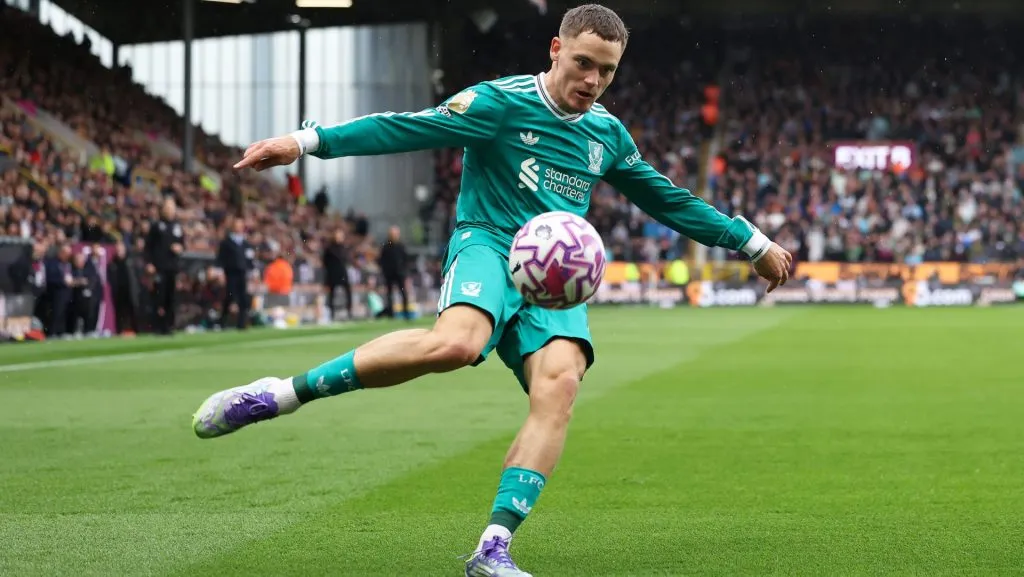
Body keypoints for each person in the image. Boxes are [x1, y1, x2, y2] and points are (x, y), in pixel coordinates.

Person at [191, 5, 791, 576]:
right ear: (556, 50)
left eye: (607, 70)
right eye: (583, 63)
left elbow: (666, 197)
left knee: (560, 385)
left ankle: (494, 546)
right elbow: (408, 128)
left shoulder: (606, 134)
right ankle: (280, 394)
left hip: (556, 282)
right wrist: (306, 142)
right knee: (455, 345)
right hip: (490, 245)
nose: (593, 80)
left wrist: (752, 243)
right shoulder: (498, 103)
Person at [145, 197, 185, 335]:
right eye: (167, 208)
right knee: (159, 297)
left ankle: (169, 325)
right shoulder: (156, 226)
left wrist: (180, 248)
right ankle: (157, 326)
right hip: (159, 266)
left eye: (172, 208)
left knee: (171, 297)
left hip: (172, 267)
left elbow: (182, 243)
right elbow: (148, 246)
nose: (170, 211)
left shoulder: (177, 227)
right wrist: (149, 262)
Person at [378, 225, 410, 318]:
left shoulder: (401, 246)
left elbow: (405, 260)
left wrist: (405, 271)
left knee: (403, 293)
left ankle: (406, 312)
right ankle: (391, 313)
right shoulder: (386, 247)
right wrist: (385, 271)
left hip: (400, 273)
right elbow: (382, 260)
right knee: (389, 294)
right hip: (389, 274)